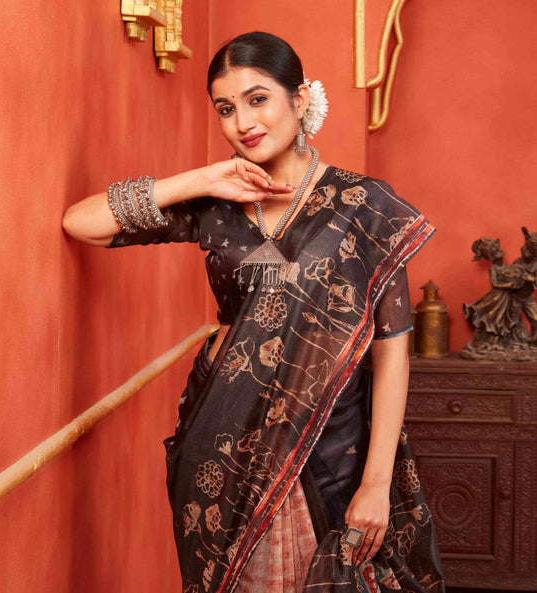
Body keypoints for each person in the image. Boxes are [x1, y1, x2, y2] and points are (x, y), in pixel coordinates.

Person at [62, 32, 444, 593]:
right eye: (225, 108)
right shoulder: (217, 204)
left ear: (300, 99)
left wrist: (377, 483)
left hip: (333, 453)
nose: (242, 121)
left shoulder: (363, 206)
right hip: (225, 450)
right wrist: (200, 179)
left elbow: (391, 353)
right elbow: (81, 222)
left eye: (257, 98)